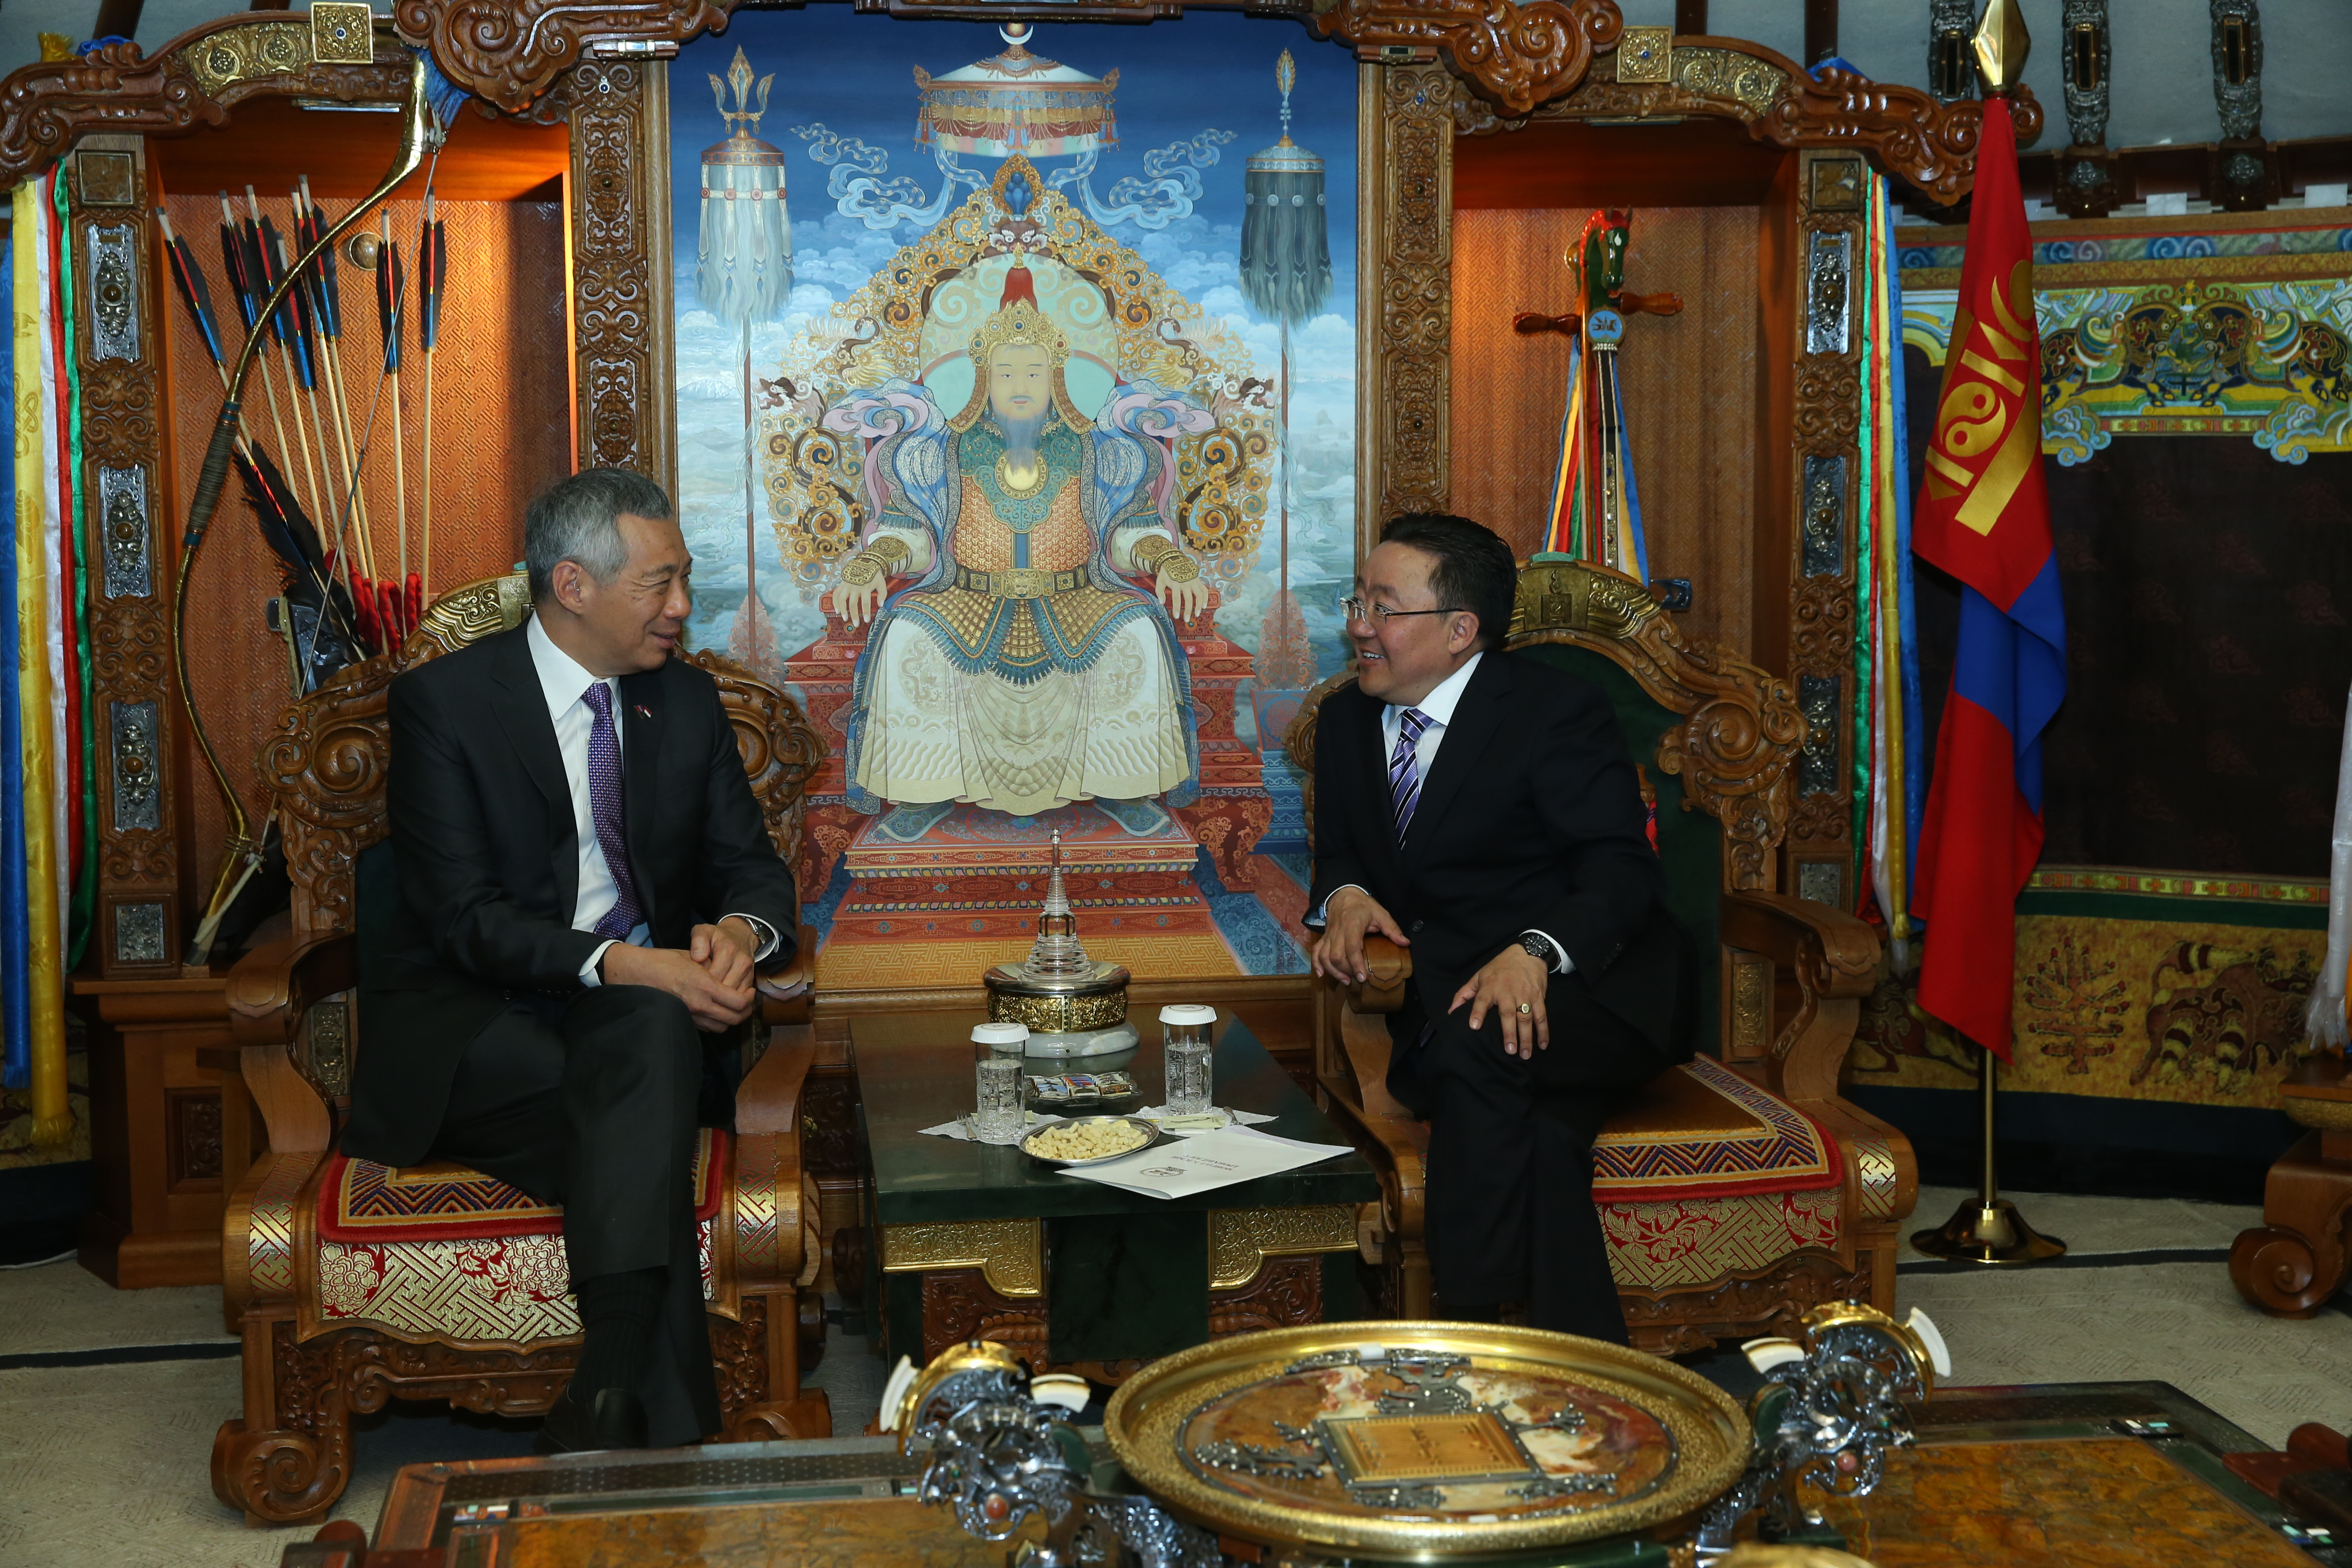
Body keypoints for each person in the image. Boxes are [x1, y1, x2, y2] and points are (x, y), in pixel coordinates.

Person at [343, 467, 799, 1452]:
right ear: (573, 585)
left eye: (685, 581)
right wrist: (635, 967)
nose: (683, 608)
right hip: (481, 1029)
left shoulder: (682, 703)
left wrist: (736, 938)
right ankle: (647, 1411)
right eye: (661, 584)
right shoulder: (446, 706)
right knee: (646, 1068)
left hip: (638, 1034)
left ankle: (607, 1396)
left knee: (643, 1043)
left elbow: (755, 873)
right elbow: (464, 920)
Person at [1304, 513, 1692, 1342]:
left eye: (1382, 606)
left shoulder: (1553, 713)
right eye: (1356, 601)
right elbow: (1340, 849)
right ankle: (1585, 1372)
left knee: (1477, 1036)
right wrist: (1340, 895)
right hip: (1442, 995)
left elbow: (1621, 871)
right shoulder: (1344, 723)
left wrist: (1535, 954)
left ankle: (1464, 1325)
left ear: (1458, 630)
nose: (1357, 625)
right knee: (1547, 1143)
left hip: (1594, 994)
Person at [829, 263, 1210, 838]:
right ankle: (922, 791)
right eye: (1006, 372)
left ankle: (1124, 787)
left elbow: (1129, 527)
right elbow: (909, 527)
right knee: (907, 631)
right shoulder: (943, 452)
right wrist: (871, 563)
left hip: (1079, 595)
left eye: (1034, 371)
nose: (1020, 384)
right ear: (983, 379)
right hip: (965, 597)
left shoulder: (1097, 451)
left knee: (1136, 631)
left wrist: (1168, 559)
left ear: (1057, 378)